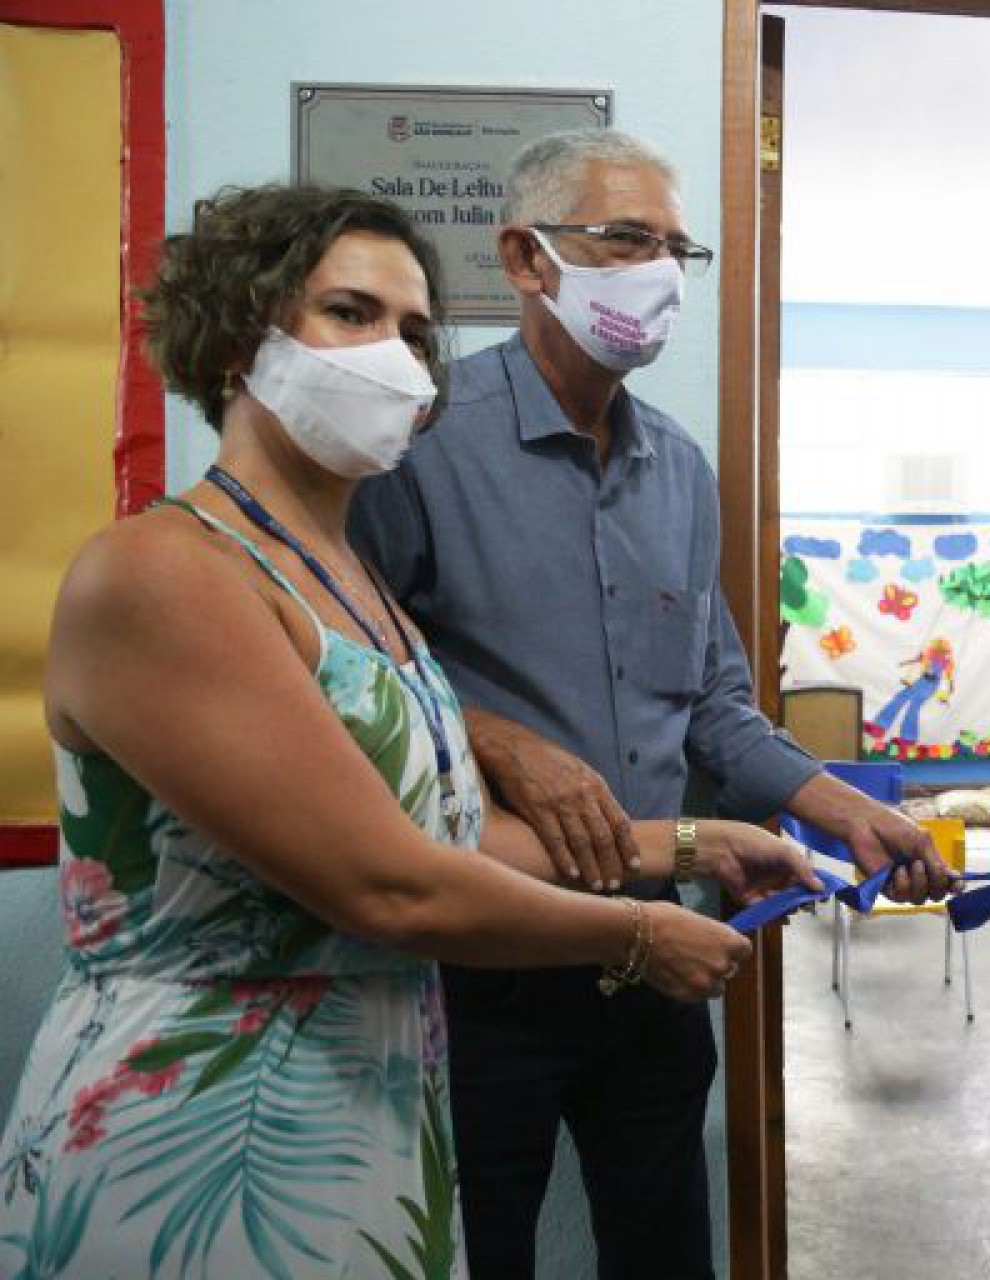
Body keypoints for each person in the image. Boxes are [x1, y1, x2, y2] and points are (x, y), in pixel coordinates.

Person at [0, 184, 821, 1278]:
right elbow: (388, 883)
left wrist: (690, 846)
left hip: (370, 1105)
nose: (395, 356)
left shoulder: (352, 590)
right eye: (351, 313)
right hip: (198, 1132)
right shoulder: (165, 573)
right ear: (240, 336)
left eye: (418, 332)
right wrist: (635, 932)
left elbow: (443, 829)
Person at [349, 128, 953, 1279]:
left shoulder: (676, 467)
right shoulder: (418, 443)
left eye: (679, 248)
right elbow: (357, 676)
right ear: (528, 259)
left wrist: (843, 808)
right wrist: (499, 737)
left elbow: (717, 702)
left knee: (667, 1247)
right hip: (481, 959)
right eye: (626, 238)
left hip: (658, 955)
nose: (659, 272)